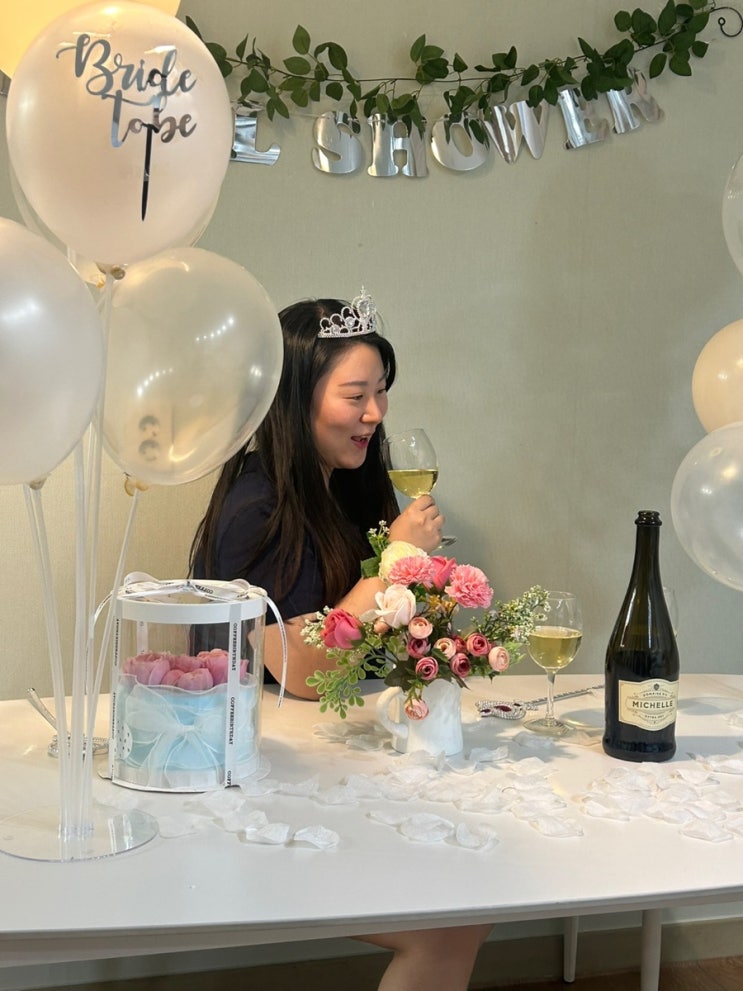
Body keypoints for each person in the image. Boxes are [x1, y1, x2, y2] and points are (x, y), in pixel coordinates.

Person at [190, 290, 490, 989]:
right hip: (255, 772)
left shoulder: (347, 490)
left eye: (381, 392)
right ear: (295, 399)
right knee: (449, 918)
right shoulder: (257, 505)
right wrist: (393, 561)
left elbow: (378, 642)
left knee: (469, 886)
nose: (376, 414)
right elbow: (298, 670)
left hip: (327, 749)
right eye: (356, 395)